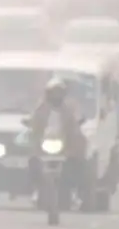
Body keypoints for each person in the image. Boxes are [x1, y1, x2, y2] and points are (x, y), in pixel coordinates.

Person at [27, 77, 89, 209]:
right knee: (32, 161)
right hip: (44, 145)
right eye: (54, 92)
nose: (56, 95)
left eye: (59, 92)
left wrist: (75, 135)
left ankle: (76, 191)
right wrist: (32, 132)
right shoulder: (41, 108)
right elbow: (34, 124)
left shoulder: (69, 108)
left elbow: (74, 125)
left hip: (65, 146)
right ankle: (37, 189)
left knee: (78, 162)